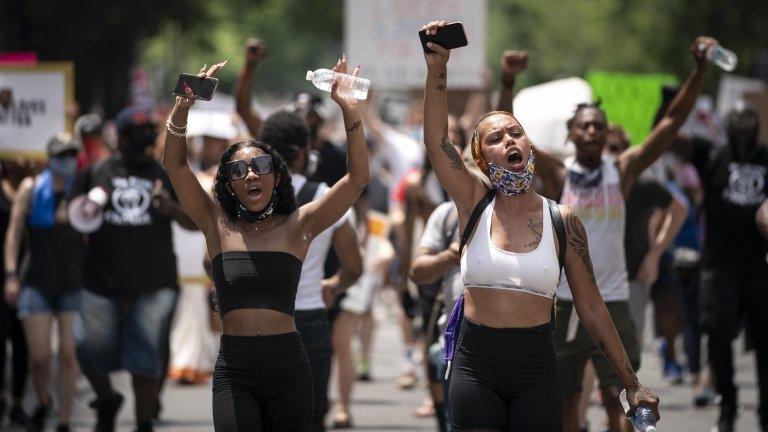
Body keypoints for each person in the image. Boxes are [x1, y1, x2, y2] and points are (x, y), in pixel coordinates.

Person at [419, 20, 659, 431]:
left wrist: (631, 381)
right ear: (480, 159)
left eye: (516, 133)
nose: (510, 140)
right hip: (474, 367)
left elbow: (591, 307)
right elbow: (437, 141)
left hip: (536, 370)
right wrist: (438, 68)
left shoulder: (562, 219)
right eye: (496, 138)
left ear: (530, 146)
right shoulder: (473, 203)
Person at [519, 36, 714, 432]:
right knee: (566, 400)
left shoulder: (621, 170)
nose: (592, 131)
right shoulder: (560, 173)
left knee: (622, 398)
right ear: (572, 134)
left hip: (615, 301)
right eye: (584, 126)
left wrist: (699, 72)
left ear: (606, 134)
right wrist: (507, 82)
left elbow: (672, 122)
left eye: (598, 126)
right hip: (563, 304)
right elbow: (512, 134)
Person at [163, 57, 368, 431]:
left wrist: (348, 108)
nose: (251, 173)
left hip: (289, 367)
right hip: (234, 370)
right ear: (230, 185)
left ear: (276, 176)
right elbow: (176, 167)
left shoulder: (299, 226)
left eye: (260, 165)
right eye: (239, 170)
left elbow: (356, 179)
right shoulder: (216, 223)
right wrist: (183, 106)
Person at [72, 107, 196, 432]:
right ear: (121, 137)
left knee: (144, 359)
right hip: (100, 280)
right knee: (87, 349)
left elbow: (196, 221)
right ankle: (107, 399)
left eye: (147, 133)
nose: (141, 140)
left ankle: (143, 424)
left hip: (152, 283)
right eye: (134, 134)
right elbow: (69, 213)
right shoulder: (98, 171)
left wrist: (170, 208)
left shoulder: (166, 173)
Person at [258, 109, 363, 431]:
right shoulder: (323, 197)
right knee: (309, 419)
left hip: (256, 323)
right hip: (309, 318)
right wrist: (333, 284)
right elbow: (354, 267)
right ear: (304, 151)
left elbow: (212, 260)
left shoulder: (248, 198)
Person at [675, 105, 768, 432]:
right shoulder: (712, 155)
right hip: (720, 267)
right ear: (727, 129)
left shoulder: (766, 158)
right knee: (716, 338)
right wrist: (678, 98)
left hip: (761, 269)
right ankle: (727, 407)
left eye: (749, 125)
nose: (743, 130)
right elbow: (671, 135)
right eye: (737, 125)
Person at [4, 134, 84, 432]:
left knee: (67, 354)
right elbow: (13, 234)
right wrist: (11, 275)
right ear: (50, 157)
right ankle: (43, 400)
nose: (66, 160)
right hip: (35, 281)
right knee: (39, 357)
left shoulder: (81, 188)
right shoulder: (32, 187)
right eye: (61, 154)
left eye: (71, 154)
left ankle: (63, 421)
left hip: (72, 283)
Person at [602, 126, 687, 350]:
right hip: (592, 279)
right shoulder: (583, 183)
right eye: (602, 146)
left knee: (629, 346)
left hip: (631, 276)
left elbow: (679, 211)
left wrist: (655, 255)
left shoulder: (643, 184)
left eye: (613, 147)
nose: (607, 153)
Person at [0, 158, 30, 428]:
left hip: (28, 276)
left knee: (24, 344)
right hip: (7, 276)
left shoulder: (34, 188)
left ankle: (18, 402)